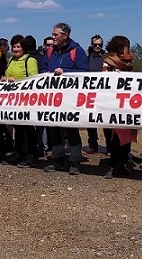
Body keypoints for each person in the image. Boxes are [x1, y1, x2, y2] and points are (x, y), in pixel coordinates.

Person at [41, 23, 89, 175]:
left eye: (55, 35)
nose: (53, 37)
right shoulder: (50, 51)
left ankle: (75, 160)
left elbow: (84, 71)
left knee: (71, 129)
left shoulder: (77, 51)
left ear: (65, 35)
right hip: (52, 97)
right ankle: (57, 159)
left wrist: (65, 72)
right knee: (53, 128)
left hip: (70, 98)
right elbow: (43, 69)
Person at [102, 36, 138, 178]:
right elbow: (103, 80)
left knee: (126, 137)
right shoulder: (108, 63)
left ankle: (122, 164)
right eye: (126, 46)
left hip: (127, 105)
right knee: (114, 138)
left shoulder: (128, 63)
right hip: (112, 105)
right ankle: (112, 165)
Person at [4, 35, 40, 167]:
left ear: (24, 48)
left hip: (26, 100)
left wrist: (18, 82)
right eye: (14, 46)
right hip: (13, 100)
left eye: (18, 46)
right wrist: (5, 79)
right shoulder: (11, 60)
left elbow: (34, 79)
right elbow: (8, 75)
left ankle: (31, 154)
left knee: (28, 128)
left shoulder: (30, 61)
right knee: (18, 127)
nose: (16, 49)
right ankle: (19, 152)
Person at [85, 34, 106, 154]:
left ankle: (109, 146)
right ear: (91, 45)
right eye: (95, 44)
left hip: (104, 94)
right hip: (90, 94)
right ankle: (93, 145)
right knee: (90, 121)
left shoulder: (107, 58)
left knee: (106, 120)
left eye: (100, 45)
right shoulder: (87, 59)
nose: (97, 46)